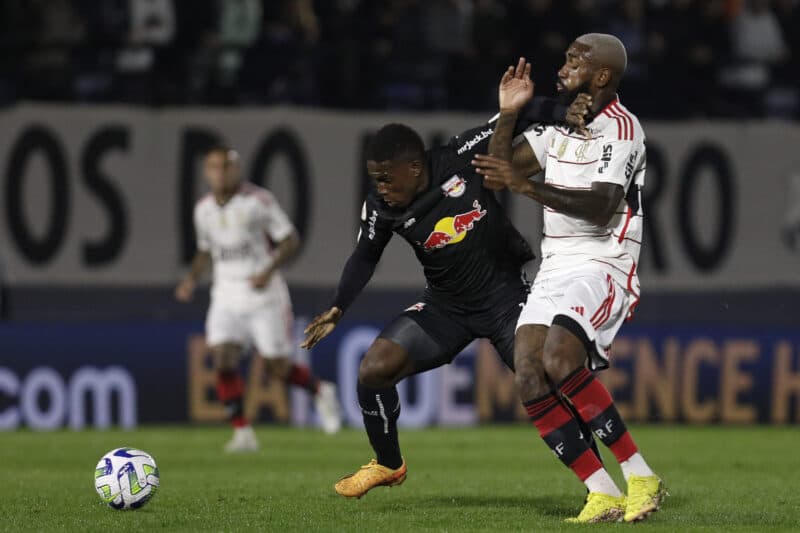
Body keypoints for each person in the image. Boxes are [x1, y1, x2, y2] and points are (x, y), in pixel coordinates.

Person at [300, 87, 594, 498]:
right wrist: (337, 307)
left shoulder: (460, 157)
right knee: (373, 369)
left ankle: (599, 486)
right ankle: (388, 463)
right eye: (375, 179)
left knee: (545, 382)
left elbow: (518, 114)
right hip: (447, 307)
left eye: (387, 178)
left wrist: (568, 112)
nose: (380, 188)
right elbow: (365, 257)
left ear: (416, 168)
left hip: (506, 299)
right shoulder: (382, 208)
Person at [472, 37, 664, 523]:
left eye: (575, 60)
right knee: (530, 372)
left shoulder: (622, 129)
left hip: (605, 260)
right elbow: (499, 173)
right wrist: (510, 112)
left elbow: (601, 210)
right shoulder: (559, 124)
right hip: (556, 264)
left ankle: (640, 476)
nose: (563, 66)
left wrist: (527, 186)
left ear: (601, 76)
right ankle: (601, 491)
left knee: (560, 356)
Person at [176, 146, 341, 452]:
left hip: (263, 295)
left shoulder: (258, 201)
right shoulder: (203, 209)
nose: (221, 173)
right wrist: (190, 279)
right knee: (223, 358)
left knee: (276, 367)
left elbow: (290, 239)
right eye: (214, 167)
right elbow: (205, 249)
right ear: (206, 172)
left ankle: (321, 391)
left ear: (236, 169)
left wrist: (267, 270)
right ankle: (243, 433)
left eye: (226, 166)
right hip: (225, 294)